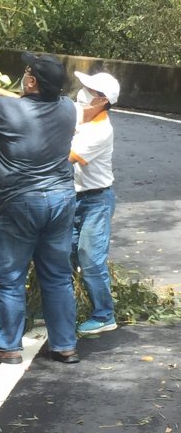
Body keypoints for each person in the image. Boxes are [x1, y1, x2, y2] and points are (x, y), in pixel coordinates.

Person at [0, 53, 79, 364]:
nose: (23, 75)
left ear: (32, 82)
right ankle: (65, 345)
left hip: (19, 204)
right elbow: (30, 104)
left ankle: (7, 346)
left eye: (27, 72)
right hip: (61, 201)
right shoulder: (67, 109)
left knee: (9, 277)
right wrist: (0, 93)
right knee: (58, 275)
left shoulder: (5, 110)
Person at [69, 70, 120, 335]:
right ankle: (60, 309)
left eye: (90, 89)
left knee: (90, 258)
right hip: (73, 197)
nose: (83, 91)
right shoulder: (82, 112)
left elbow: (67, 157)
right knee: (63, 254)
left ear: (102, 100)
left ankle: (104, 315)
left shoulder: (101, 130)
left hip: (96, 200)